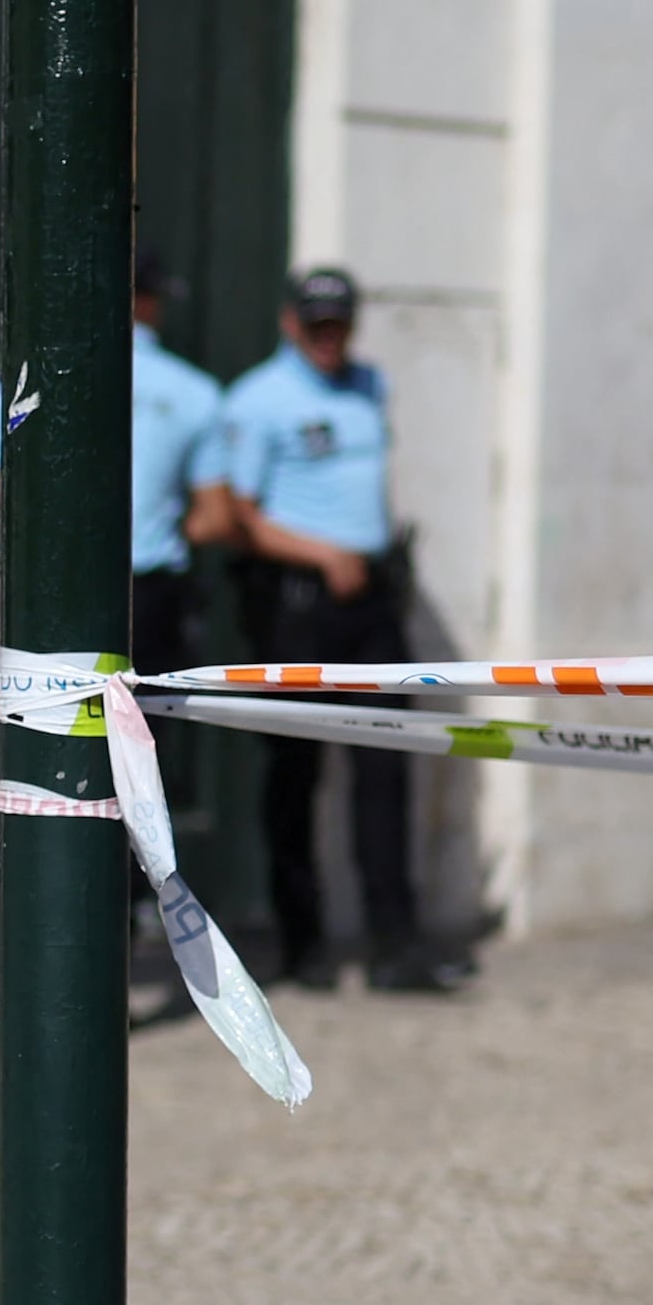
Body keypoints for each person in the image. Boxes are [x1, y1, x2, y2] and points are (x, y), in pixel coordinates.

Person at [0, 249, 220, 1024]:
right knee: (125, 784)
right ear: (149, 302)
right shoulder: (193, 392)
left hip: (44, 602)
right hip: (140, 600)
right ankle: (98, 976)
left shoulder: (25, 378)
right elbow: (215, 516)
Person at [200, 265, 466, 990]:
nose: (329, 337)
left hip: (370, 600)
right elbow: (237, 516)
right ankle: (303, 942)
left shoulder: (370, 385)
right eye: (316, 324)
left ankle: (395, 943)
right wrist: (322, 554)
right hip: (298, 602)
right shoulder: (257, 400)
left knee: (388, 761)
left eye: (339, 324)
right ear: (290, 323)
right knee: (295, 772)